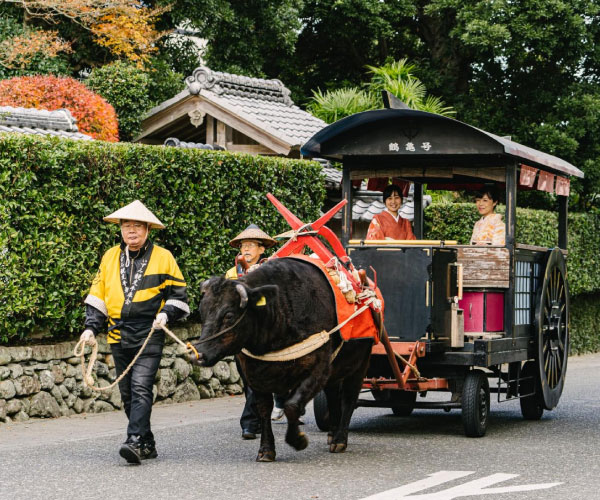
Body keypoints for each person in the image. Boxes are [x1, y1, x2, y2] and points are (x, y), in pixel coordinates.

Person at [80, 200, 189, 464]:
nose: (132, 231)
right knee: (128, 393)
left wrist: (166, 313)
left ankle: (135, 441)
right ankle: (147, 441)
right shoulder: (109, 257)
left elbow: (179, 295)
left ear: (147, 230)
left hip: (149, 333)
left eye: (137, 226)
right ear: (120, 230)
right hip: (118, 334)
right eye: (127, 226)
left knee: (141, 387)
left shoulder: (164, 257)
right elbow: (98, 295)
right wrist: (90, 328)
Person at [225, 224, 287, 438]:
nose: (246, 249)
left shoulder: (269, 269)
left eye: (251, 245)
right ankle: (257, 420)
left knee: (255, 380)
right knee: (248, 380)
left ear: (262, 249)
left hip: (263, 334)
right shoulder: (232, 272)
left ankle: (250, 423)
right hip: (240, 333)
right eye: (243, 246)